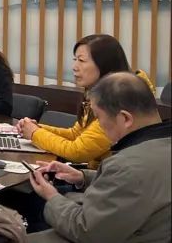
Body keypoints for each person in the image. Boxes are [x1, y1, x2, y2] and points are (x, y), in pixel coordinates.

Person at [27, 72, 170, 242]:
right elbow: (137, 188)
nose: (99, 125)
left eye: (99, 118)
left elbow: (85, 231)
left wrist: (51, 197)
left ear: (125, 118)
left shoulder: (127, 165)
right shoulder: (160, 145)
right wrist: (83, 177)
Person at [17, 34, 156, 166]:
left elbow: (78, 151)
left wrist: (35, 133)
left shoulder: (120, 100)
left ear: (105, 65)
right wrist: (37, 128)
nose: (74, 67)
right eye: (75, 60)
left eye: (82, 61)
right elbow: (76, 134)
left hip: (109, 176)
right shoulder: (96, 92)